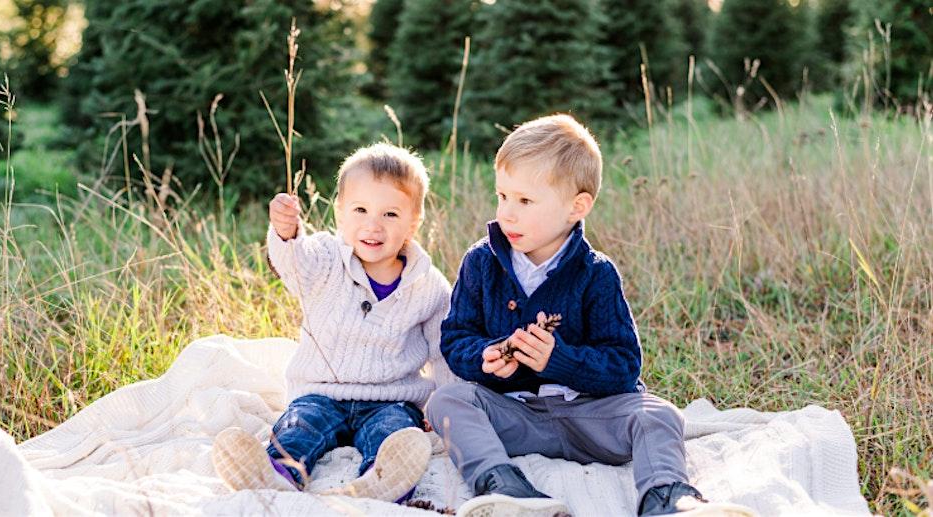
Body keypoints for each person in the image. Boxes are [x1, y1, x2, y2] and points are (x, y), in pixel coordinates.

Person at [426, 115, 754, 517]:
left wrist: (558, 359)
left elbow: (623, 364)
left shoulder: (596, 273)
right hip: (514, 417)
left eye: (525, 201)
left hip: (590, 417)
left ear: (576, 207)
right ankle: (506, 487)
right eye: (502, 196)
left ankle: (667, 498)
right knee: (447, 400)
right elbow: (456, 336)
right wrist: (486, 356)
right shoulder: (481, 262)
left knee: (660, 414)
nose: (507, 214)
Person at [212, 143, 454, 503]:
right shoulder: (324, 258)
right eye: (360, 210)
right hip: (322, 392)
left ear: (413, 222)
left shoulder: (427, 284)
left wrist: (442, 400)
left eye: (390, 214)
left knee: (394, 433)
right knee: (300, 427)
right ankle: (274, 473)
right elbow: (293, 263)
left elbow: (442, 348)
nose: (373, 225)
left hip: (391, 398)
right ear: (340, 213)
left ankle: (382, 480)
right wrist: (286, 232)